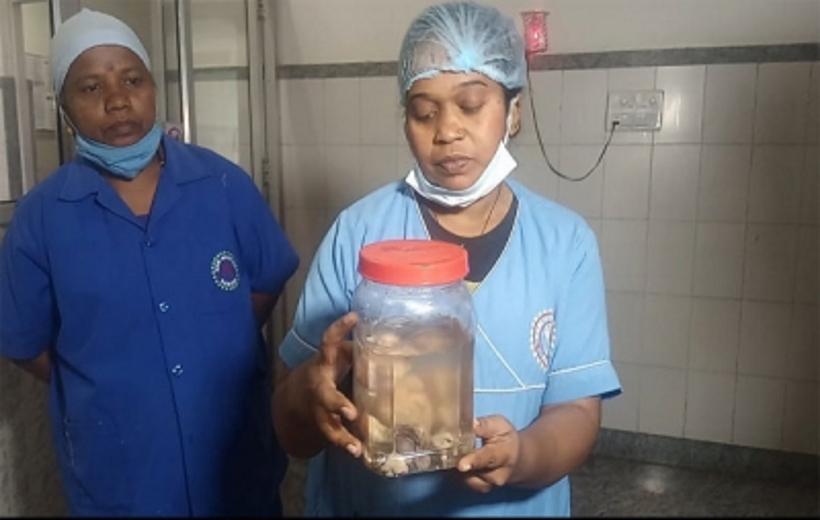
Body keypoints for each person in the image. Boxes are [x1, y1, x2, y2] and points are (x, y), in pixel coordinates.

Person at [272, 1, 622, 517]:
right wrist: (310, 393)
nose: (447, 130)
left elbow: (577, 411)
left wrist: (523, 456)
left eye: (471, 105)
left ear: (514, 111)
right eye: (424, 111)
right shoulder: (358, 232)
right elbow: (290, 427)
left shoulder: (564, 244)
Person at [0, 8, 298, 517]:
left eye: (132, 80)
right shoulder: (41, 219)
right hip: (120, 470)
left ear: (154, 89)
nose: (117, 100)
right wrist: (105, 378)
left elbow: (266, 282)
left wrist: (212, 344)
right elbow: (26, 343)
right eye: (91, 87)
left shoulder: (223, 185)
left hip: (234, 460)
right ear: (65, 109)